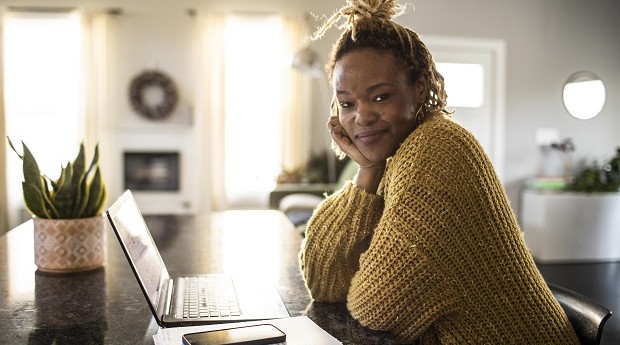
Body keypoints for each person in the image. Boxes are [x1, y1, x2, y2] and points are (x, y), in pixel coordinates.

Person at [298, 0, 580, 344]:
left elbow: (376, 306)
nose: (363, 116)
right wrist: (368, 172)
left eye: (381, 96)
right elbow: (323, 282)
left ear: (418, 90)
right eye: (347, 103)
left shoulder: (437, 149)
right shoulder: (393, 157)